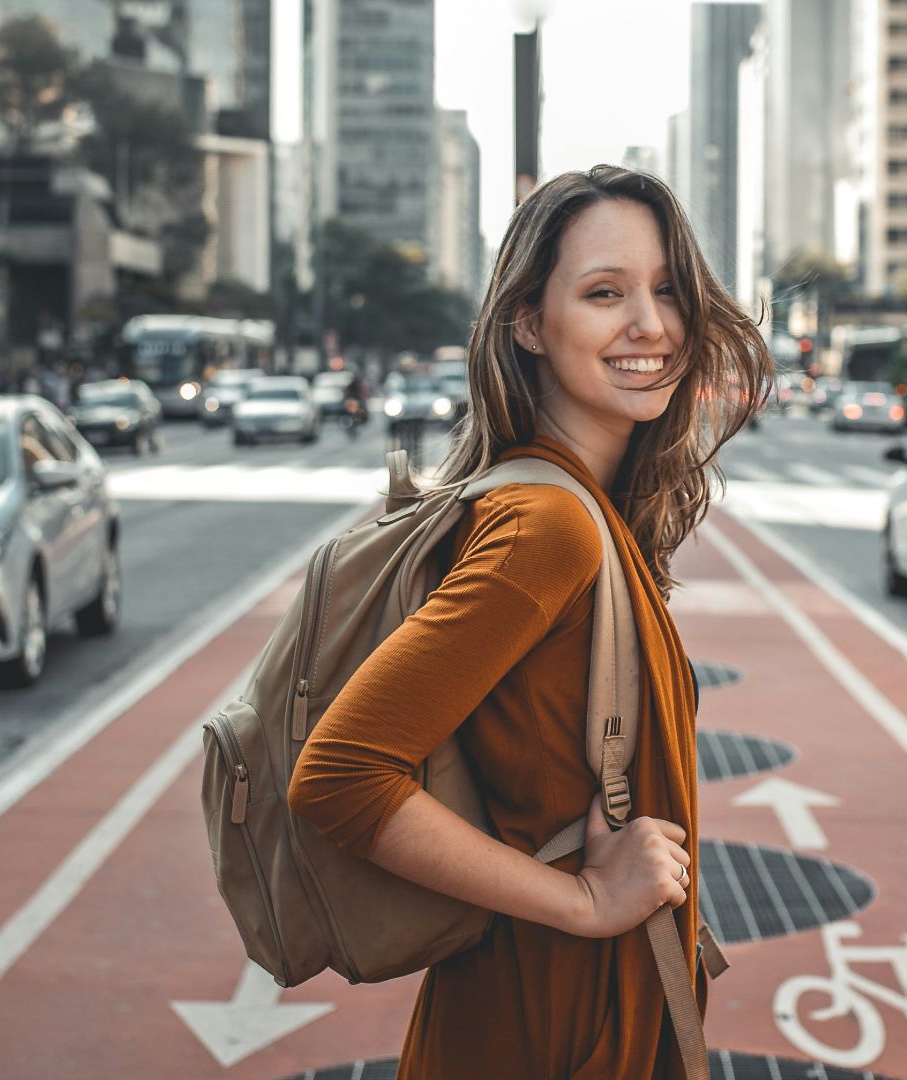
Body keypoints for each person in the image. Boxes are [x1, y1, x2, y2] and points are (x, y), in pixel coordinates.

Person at [286, 166, 770, 1079]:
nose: (652, 326)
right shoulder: (548, 528)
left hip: (573, 1010)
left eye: (667, 289)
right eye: (603, 293)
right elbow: (341, 776)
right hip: (548, 1025)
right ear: (528, 323)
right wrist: (585, 900)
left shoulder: (579, 506)